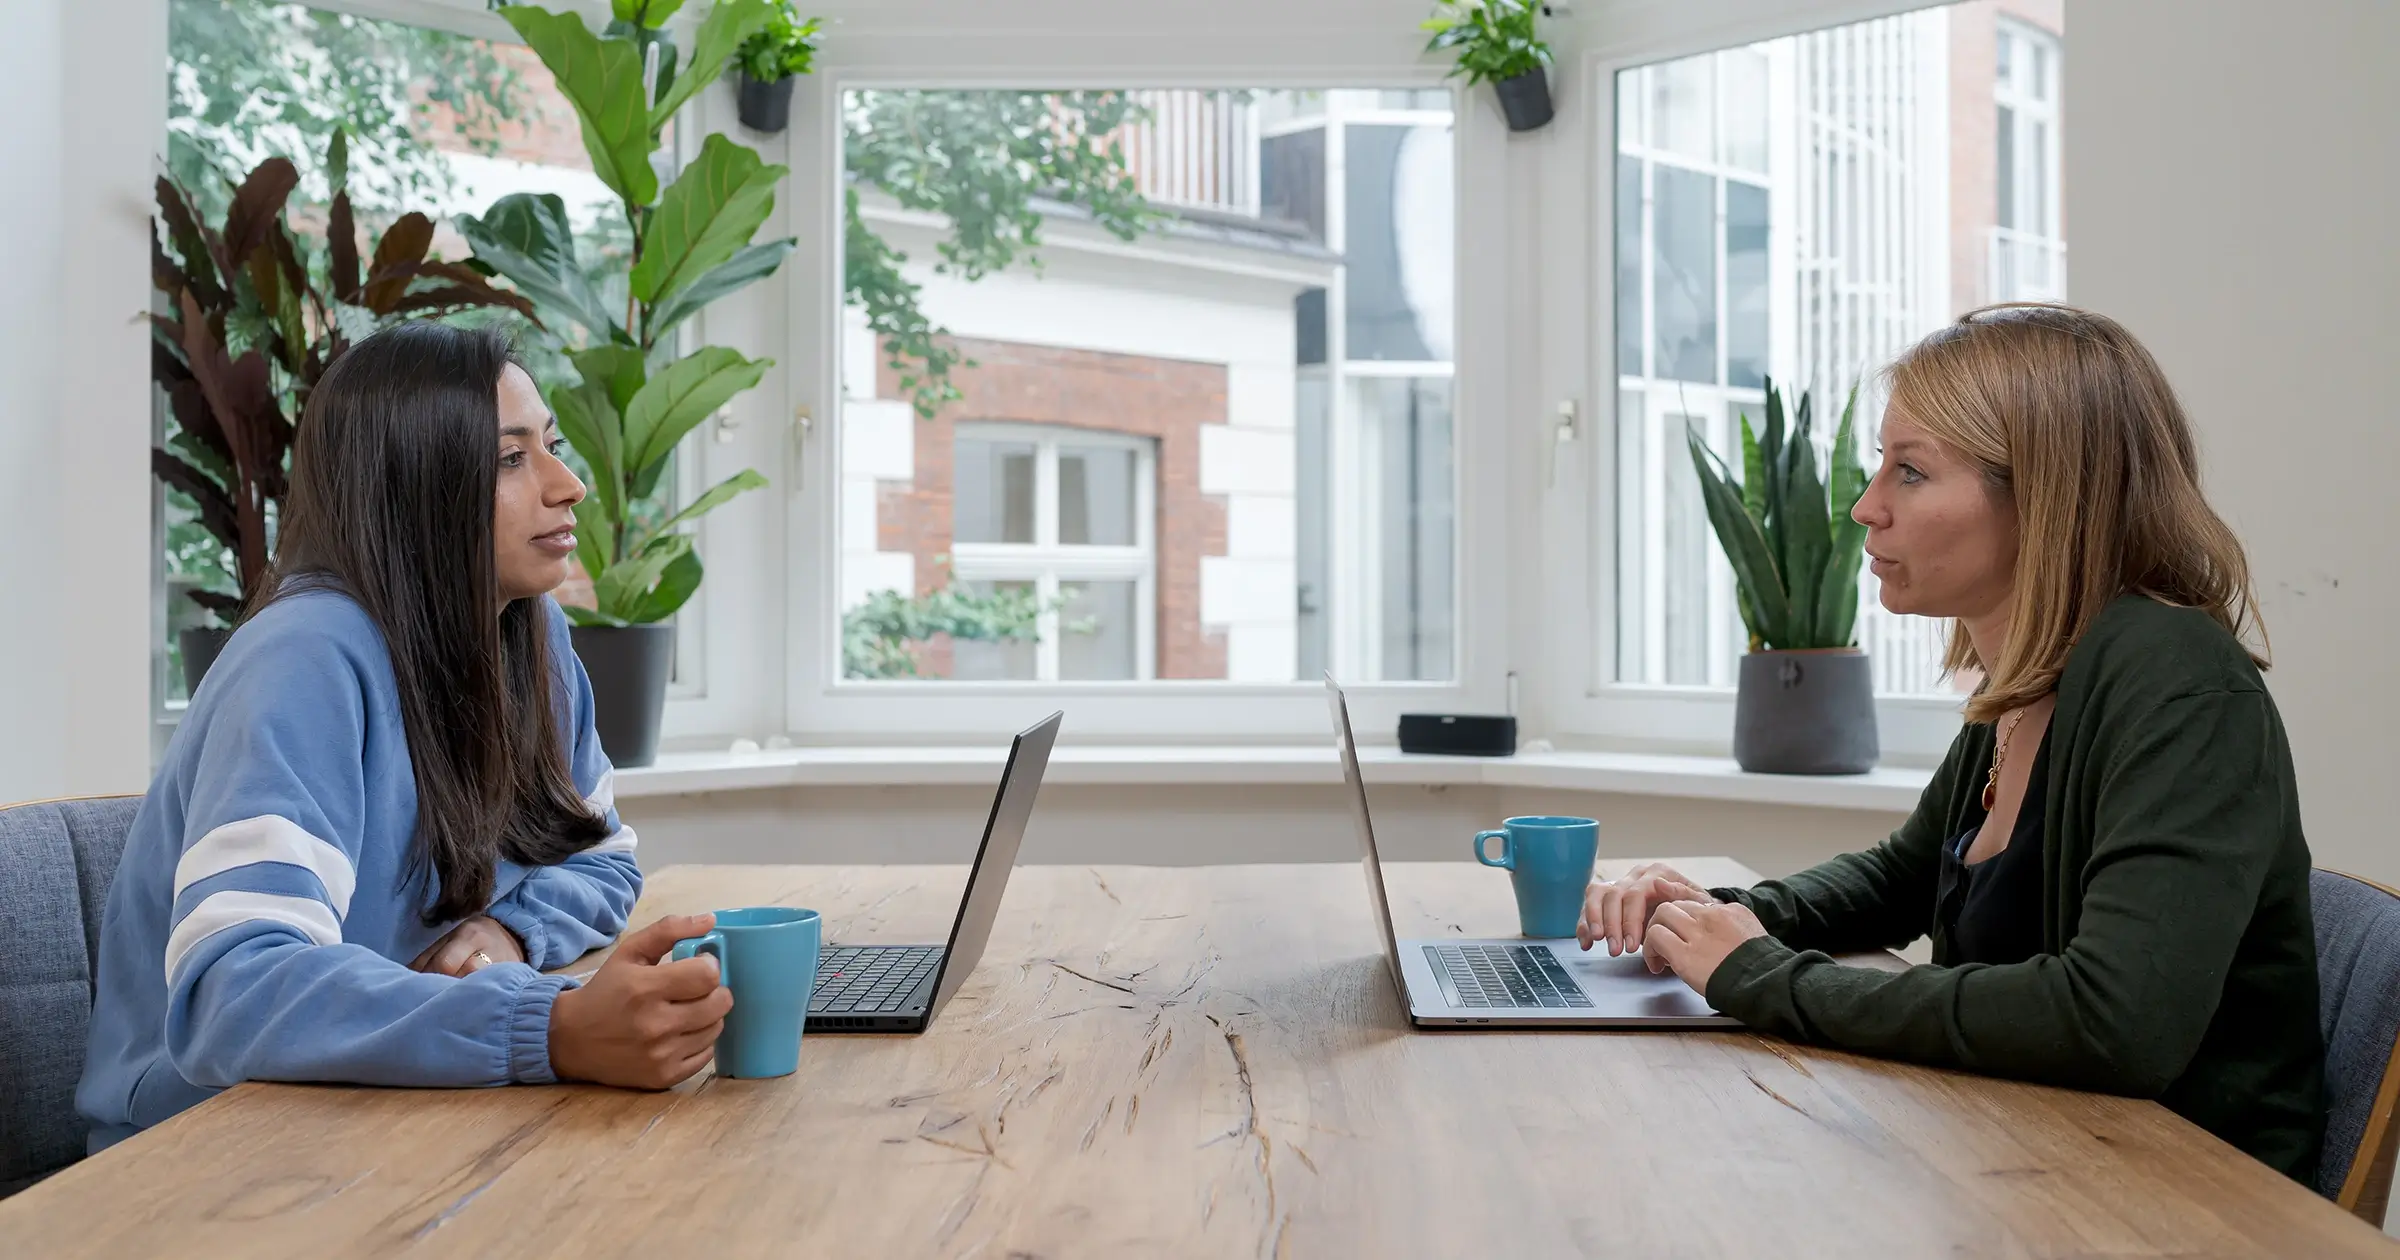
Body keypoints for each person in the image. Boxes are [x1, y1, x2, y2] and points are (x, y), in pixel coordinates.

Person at [1578, 303, 2324, 1182]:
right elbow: (1902, 877)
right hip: (2032, 1159)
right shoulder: (2038, 673)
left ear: (2043, 495)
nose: (1866, 509)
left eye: (1911, 473)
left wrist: (1766, 977)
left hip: (2186, 1206)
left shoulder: (2181, 689)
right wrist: (1720, 912)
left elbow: (2116, 1021)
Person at [78, 323, 732, 1150]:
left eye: (553, 447)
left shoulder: (532, 638)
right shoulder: (303, 659)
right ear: (412, 485)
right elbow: (231, 995)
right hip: (204, 1156)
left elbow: (602, 855)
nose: (568, 486)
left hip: (389, 1114)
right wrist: (547, 1028)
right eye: (511, 458)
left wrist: (511, 933)